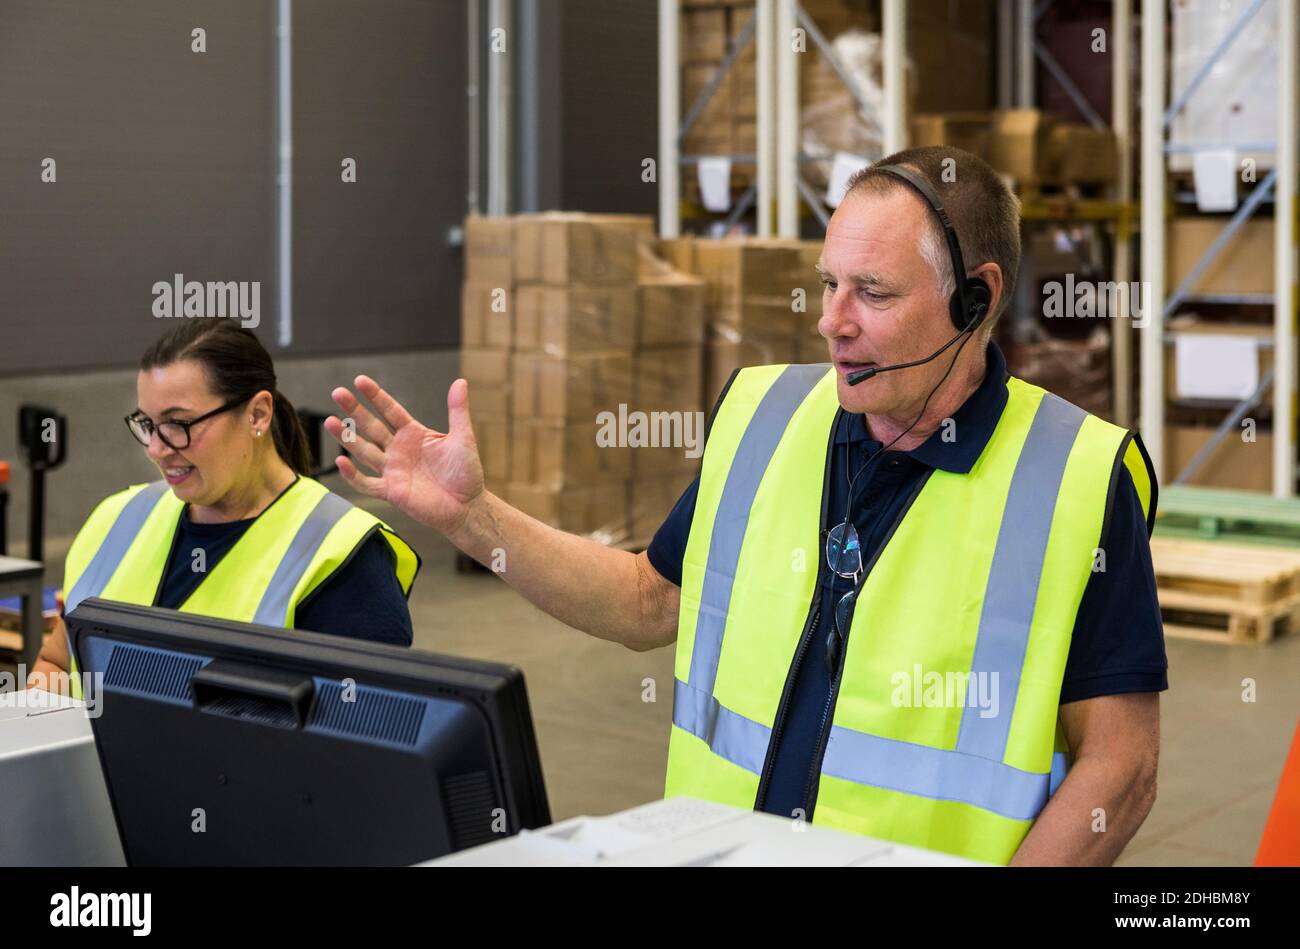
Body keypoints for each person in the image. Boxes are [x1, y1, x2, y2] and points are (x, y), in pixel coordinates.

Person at [326, 147, 1165, 866]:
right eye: (827, 284)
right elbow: (648, 602)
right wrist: (472, 518)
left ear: (976, 299)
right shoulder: (765, 418)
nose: (831, 324)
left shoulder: (1078, 478)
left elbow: (1120, 767)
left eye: (872, 293)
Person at [29, 317, 420, 697]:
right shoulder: (115, 521)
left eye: (178, 424)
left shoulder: (341, 554)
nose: (156, 449)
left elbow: (359, 736)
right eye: (147, 424)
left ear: (257, 414)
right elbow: (59, 664)